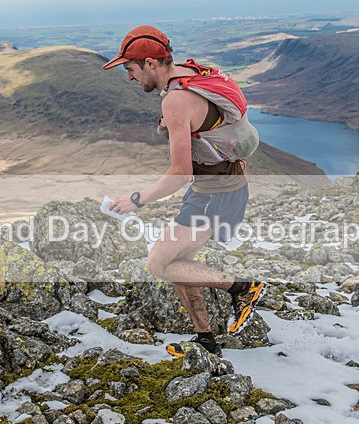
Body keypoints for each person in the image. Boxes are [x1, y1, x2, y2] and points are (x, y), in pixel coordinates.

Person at [104, 25, 265, 358]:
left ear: (150, 63)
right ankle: (206, 340)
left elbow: (180, 174)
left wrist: (135, 200)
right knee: (178, 261)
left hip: (215, 193)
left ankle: (242, 287)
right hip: (218, 187)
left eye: (130, 69)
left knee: (159, 264)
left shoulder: (176, 99)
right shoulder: (191, 71)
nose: (130, 78)